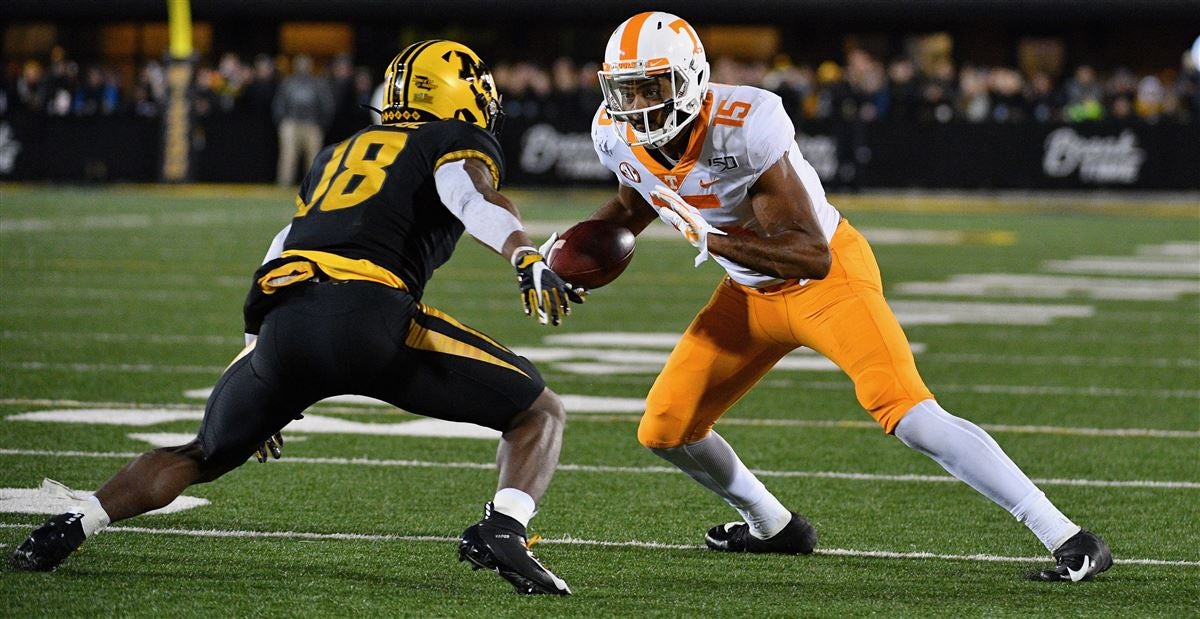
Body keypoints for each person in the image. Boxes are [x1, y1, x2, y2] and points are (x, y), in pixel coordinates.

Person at [10, 40, 582, 596]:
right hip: (369, 316)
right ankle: (504, 528)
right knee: (539, 411)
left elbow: (281, 245)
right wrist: (524, 255)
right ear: (459, 93)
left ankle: (76, 522)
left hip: (285, 322)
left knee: (201, 452)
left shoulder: (339, 151)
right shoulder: (454, 140)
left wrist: (254, 358)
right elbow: (470, 197)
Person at [571, 11, 1111, 582]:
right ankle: (772, 526)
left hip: (825, 283)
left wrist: (711, 236)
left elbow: (810, 254)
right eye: (626, 88)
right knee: (665, 427)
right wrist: (567, 256)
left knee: (909, 414)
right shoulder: (613, 132)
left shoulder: (744, 123)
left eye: (651, 86)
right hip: (748, 294)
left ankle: (1070, 538)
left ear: (688, 79)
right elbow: (636, 202)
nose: (638, 103)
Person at [272, 54, 334, 186]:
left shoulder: (317, 83)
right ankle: (284, 183)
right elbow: (279, 103)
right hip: (291, 122)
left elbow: (326, 105)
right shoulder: (288, 82)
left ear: (310, 67)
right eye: (300, 64)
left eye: (305, 65)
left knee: (313, 157)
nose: (302, 68)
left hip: (312, 123)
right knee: (288, 156)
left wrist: (321, 124)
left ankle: (313, 185)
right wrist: (282, 121)